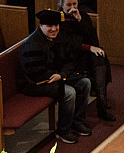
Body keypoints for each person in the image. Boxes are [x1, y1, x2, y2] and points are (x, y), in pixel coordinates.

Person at [18, 9, 92, 144]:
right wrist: (59, 76)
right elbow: (36, 73)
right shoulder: (32, 45)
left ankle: (77, 121)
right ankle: (63, 130)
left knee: (85, 82)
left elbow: (71, 61)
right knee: (69, 92)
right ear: (41, 26)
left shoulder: (60, 37)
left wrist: (61, 75)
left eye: (56, 25)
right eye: (49, 26)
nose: (54, 29)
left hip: (56, 77)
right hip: (34, 83)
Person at [57, 0, 115, 122]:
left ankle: (101, 103)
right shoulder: (58, 20)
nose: (72, 8)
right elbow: (67, 42)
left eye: (75, 4)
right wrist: (89, 48)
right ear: (61, 5)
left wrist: (80, 21)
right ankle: (101, 103)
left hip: (85, 54)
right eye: (68, 5)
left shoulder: (83, 16)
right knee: (95, 54)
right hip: (68, 56)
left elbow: (93, 40)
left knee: (99, 56)